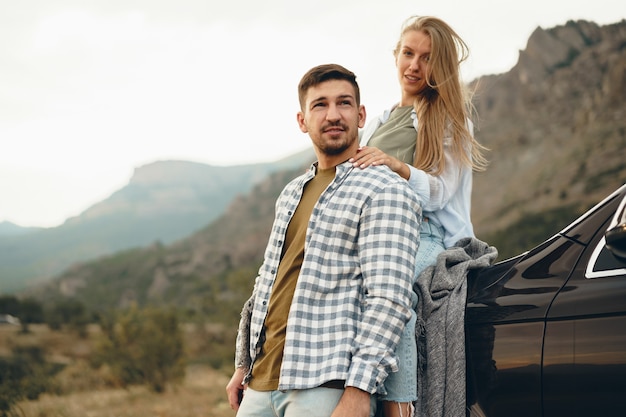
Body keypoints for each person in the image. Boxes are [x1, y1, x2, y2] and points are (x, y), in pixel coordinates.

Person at [225, 64, 422, 417]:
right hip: (261, 384)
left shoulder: (385, 189)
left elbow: (389, 299)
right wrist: (244, 363)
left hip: (323, 388)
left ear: (361, 115)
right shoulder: (291, 192)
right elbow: (267, 284)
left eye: (344, 103)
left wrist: (359, 391)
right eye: (320, 105)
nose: (333, 115)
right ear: (302, 120)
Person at [349, 16, 488, 417]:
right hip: (377, 233)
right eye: (408, 53)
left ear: (439, 66)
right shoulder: (377, 121)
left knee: (398, 302)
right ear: (396, 55)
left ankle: (401, 407)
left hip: (429, 234)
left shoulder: (449, 117)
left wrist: (397, 167)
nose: (413, 65)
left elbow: (441, 191)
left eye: (426, 58)